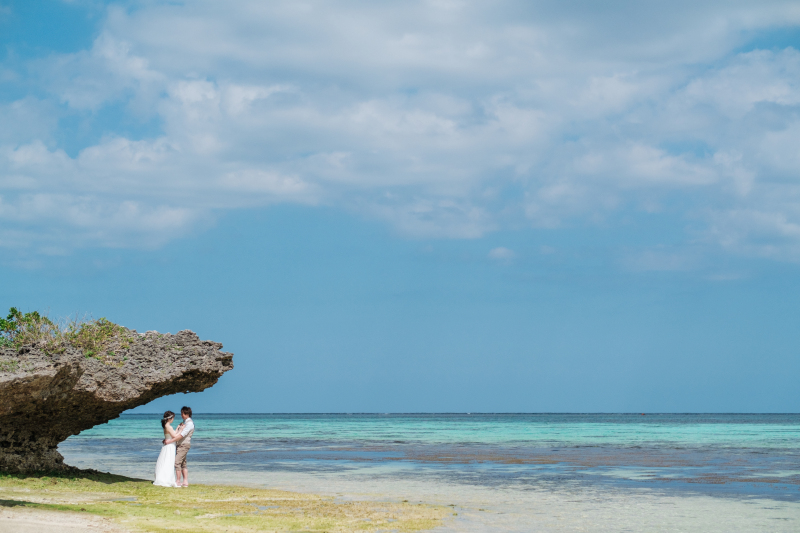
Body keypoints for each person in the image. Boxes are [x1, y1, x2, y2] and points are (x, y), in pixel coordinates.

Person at [163, 406, 194, 487]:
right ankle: (185, 482)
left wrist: (169, 441)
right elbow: (177, 434)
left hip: (184, 444)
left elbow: (181, 435)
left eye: (182, 413)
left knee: (177, 462)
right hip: (181, 444)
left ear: (186, 414)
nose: (181, 415)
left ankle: (178, 481)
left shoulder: (189, 424)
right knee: (183, 463)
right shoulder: (186, 423)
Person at [153, 411, 179, 487]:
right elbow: (175, 436)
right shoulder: (169, 426)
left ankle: (164, 477)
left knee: (166, 461)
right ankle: (166, 478)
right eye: (173, 418)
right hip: (170, 446)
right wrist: (181, 430)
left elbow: (172, 434)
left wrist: (177, 428)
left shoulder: (166, 426)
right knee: (168, 461)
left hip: (168, 445)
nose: (173, 419)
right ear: (170, 418)